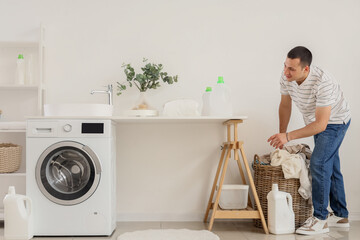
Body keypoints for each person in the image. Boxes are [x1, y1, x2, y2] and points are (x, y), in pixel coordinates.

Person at [267, 46, 351, 235]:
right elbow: (285, 105)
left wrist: (288, 136)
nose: (286, 72)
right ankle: (341, 215)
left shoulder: (323, 82)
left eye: (291, 69)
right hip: (315, 122)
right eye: (285, 66)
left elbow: (322, 125)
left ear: (306, 69)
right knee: (331, 165)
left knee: (319, 163)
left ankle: (320, 219)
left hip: (335, 122)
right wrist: (282, 136)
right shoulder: (286, 77)